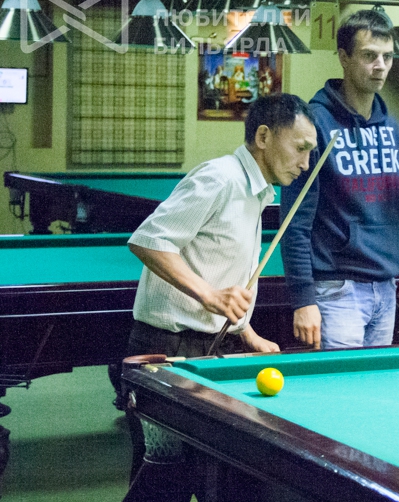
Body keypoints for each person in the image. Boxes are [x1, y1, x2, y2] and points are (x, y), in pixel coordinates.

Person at [122, 93, 317, 502]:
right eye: (300, 148)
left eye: (310, 152)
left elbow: (222, 268)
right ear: (263, 137)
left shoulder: (259, 191)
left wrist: (246, 331)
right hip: (168, 349)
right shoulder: (220, 178)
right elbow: (148, 240)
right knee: (165, 484)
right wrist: (209, 295)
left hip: (211, 348)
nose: (305, 163)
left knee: (226, 478)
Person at [280, 9, 399, 350]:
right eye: (369, 56)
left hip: (386, 286)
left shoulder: (393, 126)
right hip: (337, 290)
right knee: (339, 381)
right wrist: (303, 299)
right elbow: (295, 222)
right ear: (344, 57)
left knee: (373, 381)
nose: (380, 66)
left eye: (387, 57)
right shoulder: (315, 125)